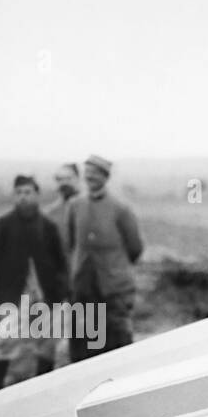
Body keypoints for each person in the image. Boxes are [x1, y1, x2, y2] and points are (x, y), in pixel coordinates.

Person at [0, 175, 69, 390]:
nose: (23, 197)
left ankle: (43, 386)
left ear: (37, 195)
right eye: (19, 193)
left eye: (28, 193)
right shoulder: (2, 225)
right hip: (12, 295)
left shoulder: (48, 227)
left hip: (44, 295)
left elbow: (61, 261)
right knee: (5, 342)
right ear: (14, 196)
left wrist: (64, 288)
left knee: (46, 344)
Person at [66, 154, 143, 362]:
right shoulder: (75, 206)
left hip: (113, 290)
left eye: (95, 173)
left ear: (105, 177)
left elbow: (135, 248)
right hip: (84, 288)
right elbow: (72, 243)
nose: (90, 177)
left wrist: (115, 269)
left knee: (118, 347)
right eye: (87, 172)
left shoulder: (120, 209)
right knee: (85, 346)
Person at [45, 162, 81, 255]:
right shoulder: (50, 213)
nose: (64, 183)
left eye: (68, 178)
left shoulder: (89, 208)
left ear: (78, 179)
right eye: (60, 179)